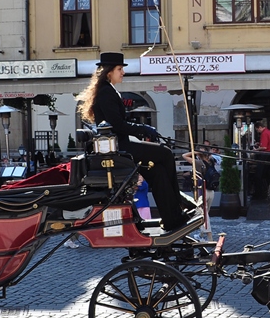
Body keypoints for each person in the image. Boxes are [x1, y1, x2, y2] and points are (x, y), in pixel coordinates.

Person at [76, 52, 192, 233]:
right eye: (120, 69)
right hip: (121, 147)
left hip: (121, 145)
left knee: (158, 171)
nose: (122, 72)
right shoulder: (106, 92)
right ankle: (178, 204)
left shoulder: (107, 90)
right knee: (166, 154)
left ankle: (172, 218)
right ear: (109, 72)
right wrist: (144, 129)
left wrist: (143, 131)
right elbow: (118, 124)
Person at [253, 121, 270, 199]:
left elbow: (264, 147)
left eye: (257, 130)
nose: (257, 131)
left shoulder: (264, 133)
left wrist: (256, 150)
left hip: (265, 155)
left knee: (258, 175)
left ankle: (259, 194)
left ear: (260, 127)